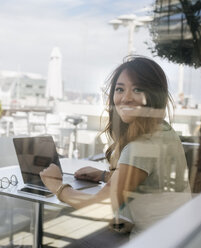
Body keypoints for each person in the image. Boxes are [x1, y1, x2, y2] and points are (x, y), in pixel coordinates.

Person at [40, 56, 191, 239]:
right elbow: (151, 182)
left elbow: (99, 209)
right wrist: (104, 175)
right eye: (120, 89)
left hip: (149, 241)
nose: (126, 98)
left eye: (137, 89)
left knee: (58, 230)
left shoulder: (141, 147)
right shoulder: (164, 131)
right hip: (176, 236)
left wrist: (57, 186)